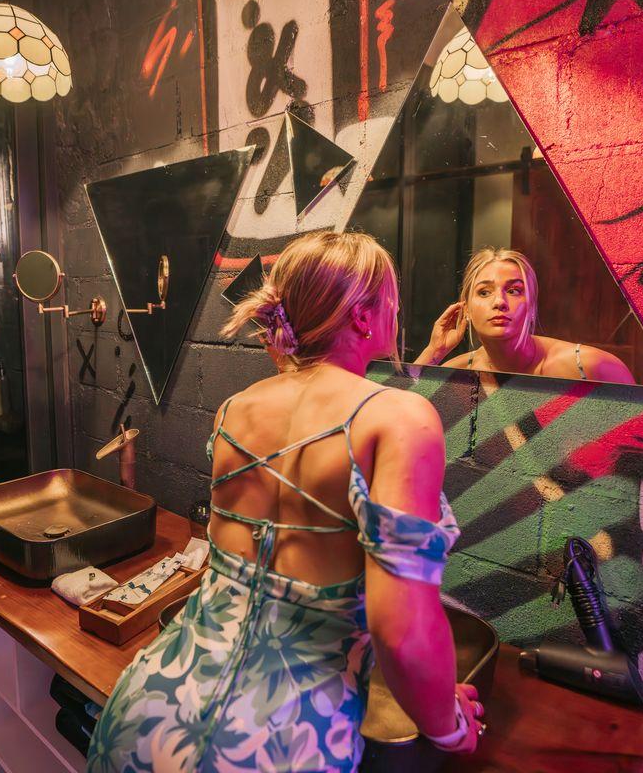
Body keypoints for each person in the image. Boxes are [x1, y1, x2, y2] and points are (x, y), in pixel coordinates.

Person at [87, 231, 483, 772]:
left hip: (150, 705)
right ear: (362, 316)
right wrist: (450, 726)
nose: (397, 313)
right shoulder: (399, 418)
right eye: (391, 302)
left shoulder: (235, 409)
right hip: (277, 741)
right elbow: (402, 631)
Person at [416, 247, 635, 384]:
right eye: (484, 292)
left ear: (531, 306)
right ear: (467, 310)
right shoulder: (457, 373)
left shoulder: (592, 366)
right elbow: (401, 416)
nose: (499, 302)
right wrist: (434, 351)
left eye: (514, 291)